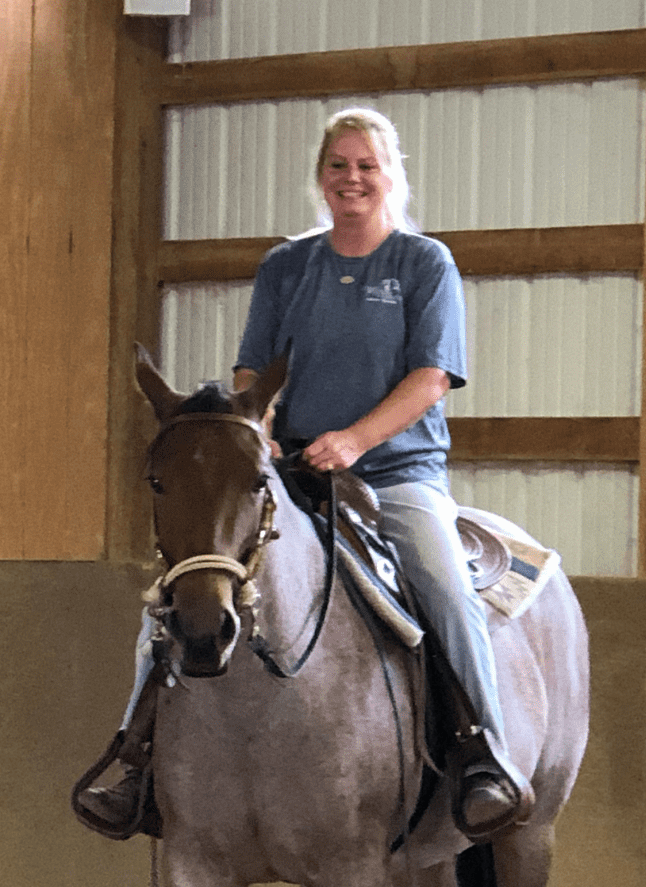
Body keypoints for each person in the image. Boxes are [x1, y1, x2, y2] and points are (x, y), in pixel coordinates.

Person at [75, 107, 533, 842]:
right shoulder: (287, 265)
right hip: (287, 471)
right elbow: (253, 369)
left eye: (366, 166)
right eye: (338, 166)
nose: (351, 179)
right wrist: (257, 436)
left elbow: (431, 379)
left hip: (395, 472)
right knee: (177, 589)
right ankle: (136, 760)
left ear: (390, 177)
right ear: (321, 178)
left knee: (445, 586)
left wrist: (354, 440)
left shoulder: (423, 263)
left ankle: (485, 754)